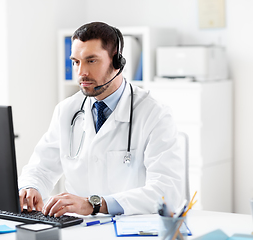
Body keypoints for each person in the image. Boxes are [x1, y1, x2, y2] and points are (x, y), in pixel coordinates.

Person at [18, 22, 184, 217]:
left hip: (131, 228)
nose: (81, 73)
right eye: (76, 62)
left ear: (117, 62)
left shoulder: (154, 114)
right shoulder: (67, 111)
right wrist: (31, 187)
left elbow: (167, 191)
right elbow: (41, 167)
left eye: (91, 61)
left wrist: (95, 204)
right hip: (79, 228)